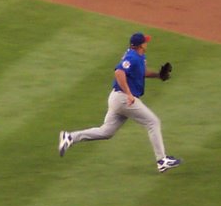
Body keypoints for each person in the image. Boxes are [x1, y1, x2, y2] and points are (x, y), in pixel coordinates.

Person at [58, 32, 181, 173]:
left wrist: (158, 75)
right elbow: (119, 72)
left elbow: (141, 71)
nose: (147, 43)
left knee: (106, 132)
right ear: (141, 45)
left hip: (117, 98)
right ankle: (162, 160)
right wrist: (129, 94)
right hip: (123, 99)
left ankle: (69, 137)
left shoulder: (139, 56)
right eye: (145, 41)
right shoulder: (132, 57)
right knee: (153, 122)